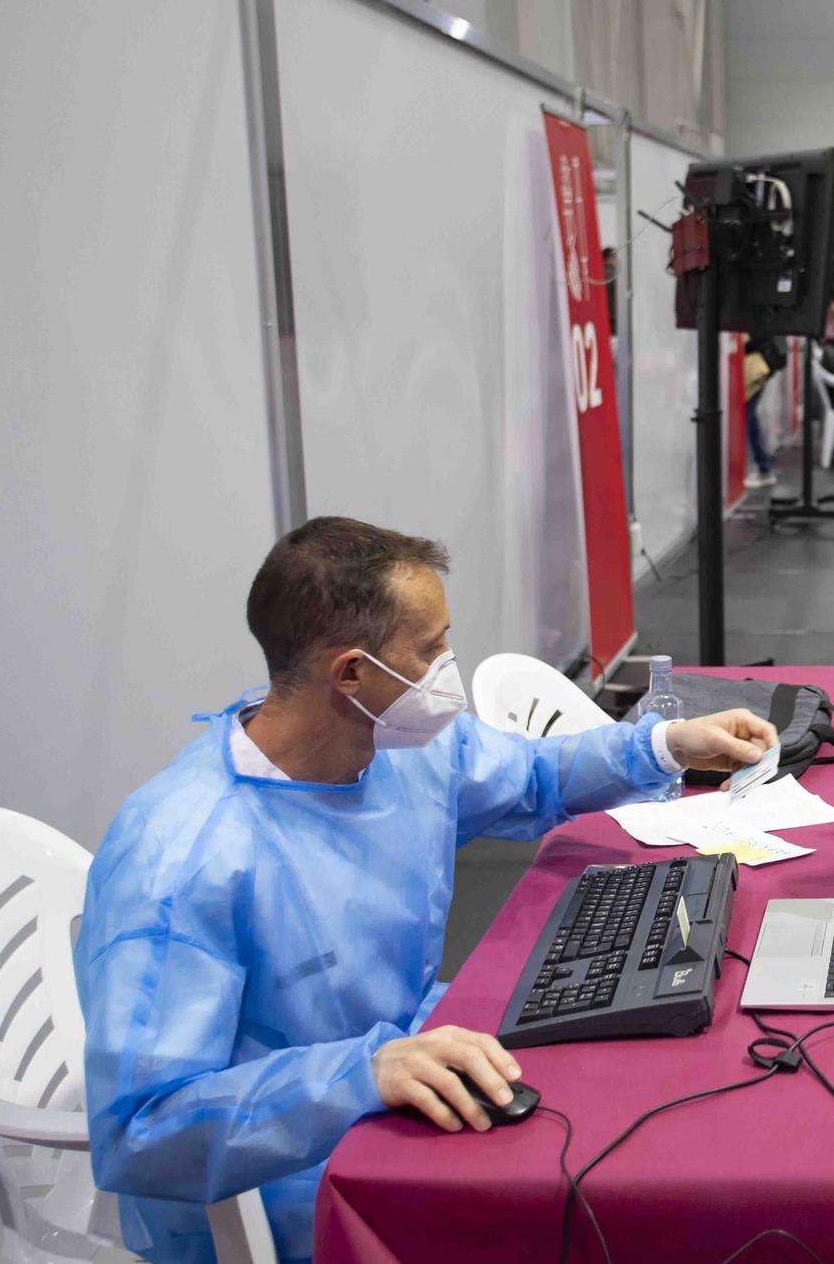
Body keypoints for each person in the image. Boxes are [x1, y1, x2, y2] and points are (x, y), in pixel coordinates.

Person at [76, 518, 777, 1263]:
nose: (446, 667)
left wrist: (662, 744)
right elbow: (141, 1131)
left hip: (405, 1058)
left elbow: (534, 776)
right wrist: (360, 1074)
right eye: (430, 648)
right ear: (350, 672)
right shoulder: (182, 856)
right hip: (287, 1170)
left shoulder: (393, 746)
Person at [743, 333, 786, 488]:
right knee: (749, 417)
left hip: (754, 368)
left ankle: (764, 468)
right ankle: (763, 466)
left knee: (748, 417)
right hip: (759, 367)